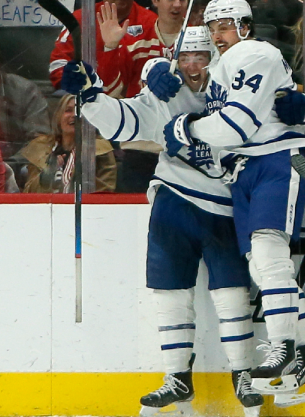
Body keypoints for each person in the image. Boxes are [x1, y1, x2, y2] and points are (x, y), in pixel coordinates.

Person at [59, 27, 264, 417]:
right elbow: (123, 123)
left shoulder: (239, 90)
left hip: (225, 206)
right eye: (185, 57)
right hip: (173, 203)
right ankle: (176, 377)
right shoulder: (164, 90)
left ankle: (243, 375)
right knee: (170, 293)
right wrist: (90, 94)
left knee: (232, 293)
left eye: (201, 57)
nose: (192, 66)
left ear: (214, 59)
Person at [150, 0, 305, 402]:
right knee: (262, 263)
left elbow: (236, 124)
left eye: (226, 25)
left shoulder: (253, 52)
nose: (218, 34)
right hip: (245, 168)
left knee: (269, 254)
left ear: (246, 27)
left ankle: (285, 350)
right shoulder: (219, 67)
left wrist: (187, 129)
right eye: (213, 27)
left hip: (275, 159)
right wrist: (153, 73)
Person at [97, 0, 191, 193]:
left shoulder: (200, 43)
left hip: (187, 152)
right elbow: (110, 91)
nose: (177, 4)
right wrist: (111, 47)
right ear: (155, 0)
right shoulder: (135, 42)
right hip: (140, 152)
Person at [49, 0, 157, 95]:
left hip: (133, 103)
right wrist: (71, 81)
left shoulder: (151, 22)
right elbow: (58, 61)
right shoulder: (80, 19)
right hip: (88, 99)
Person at [19, 94, 117, 193]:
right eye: (68, 110)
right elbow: (29, 193)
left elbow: (105, 192)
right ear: (58, 117)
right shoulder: (41, 147)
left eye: (80, 111)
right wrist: (45, 177)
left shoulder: (100, 150)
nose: (74, 115)